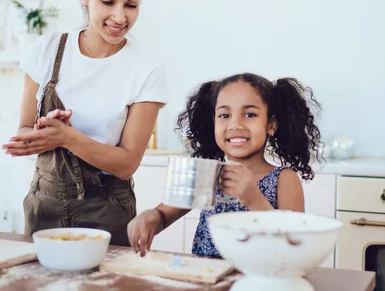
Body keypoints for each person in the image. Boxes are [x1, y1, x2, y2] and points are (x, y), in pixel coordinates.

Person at [2, 0, 166, 246]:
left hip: (109, 209)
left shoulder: (147, 69)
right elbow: (22, 131)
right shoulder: (47, 50)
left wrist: (66, 137)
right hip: (43, 204)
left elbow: (126, 163)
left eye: (131, 5)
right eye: (108, 1)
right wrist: (42, 132)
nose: (120, 17)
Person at [127, 73, 322, 258]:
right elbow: (162, 216)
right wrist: (150, 217)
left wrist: (254, 200)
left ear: (271, 125)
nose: (235, 124)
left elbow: (293, 244)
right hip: (209, 280)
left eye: (250, 114)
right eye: (224, 115)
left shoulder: (283, 179)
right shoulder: (207, 174)